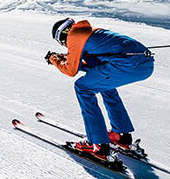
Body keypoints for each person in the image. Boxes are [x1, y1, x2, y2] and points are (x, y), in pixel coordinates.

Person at [46, 17, 154, 163]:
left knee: (82, 87)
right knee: (105, 85)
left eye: (61, 42)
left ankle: (97, 144)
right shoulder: (90, 33)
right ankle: (120, 135)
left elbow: (71, 71)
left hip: (127, 65)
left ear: (62, 35)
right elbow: (95, 65)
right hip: (144, 66)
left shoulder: (74, 36)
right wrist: (70, 59)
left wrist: (54, 59)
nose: (65, 46)